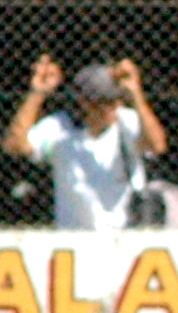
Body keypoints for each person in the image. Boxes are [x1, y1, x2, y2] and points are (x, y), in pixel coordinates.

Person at [3, 56, 169, 229]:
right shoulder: (60, 127)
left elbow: (157, 145)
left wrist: (136, 94)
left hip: (124, 234)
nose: (114, 108)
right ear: (85, 102)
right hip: (75, 236)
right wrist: (37, 93)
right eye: (106, 102)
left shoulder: (126, 121)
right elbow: (15, 146)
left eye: (117, 100)